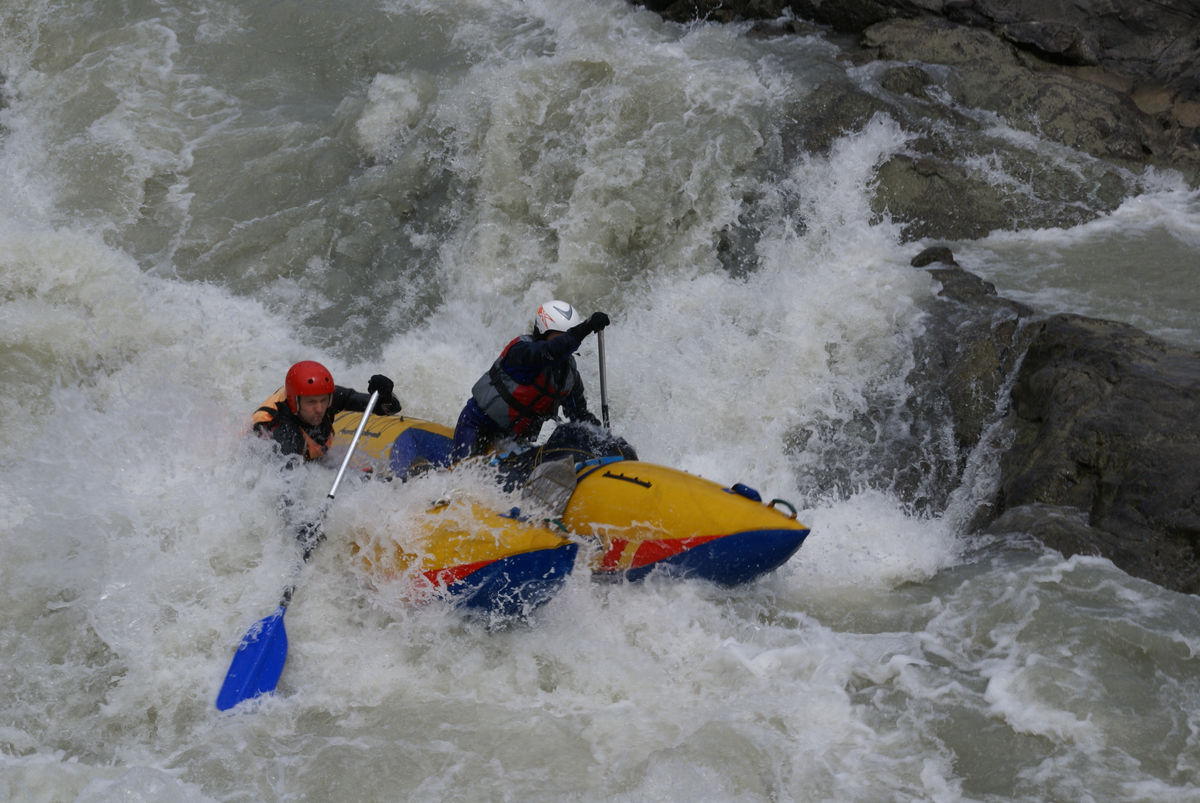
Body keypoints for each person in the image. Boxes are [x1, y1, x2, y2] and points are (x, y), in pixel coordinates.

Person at [451, 300, 609, 462]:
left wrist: (605, 439)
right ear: (542, 334)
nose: (565, 346)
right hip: (479, 426)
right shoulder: (522, 352)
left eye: (566, 338)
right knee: (463, 472)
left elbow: (580, 417)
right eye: (557, 338)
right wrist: (587, 327)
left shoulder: (569, 376)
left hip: (514, 440)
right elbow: (550, 351)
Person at [251, 360, 402, 463]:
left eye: (323, 400)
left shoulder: (330, 397)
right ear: (294, 403)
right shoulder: (285, 438)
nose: (319, 409)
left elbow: (389, 409)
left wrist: (385, 396)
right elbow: (286, 494)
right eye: (311, 402)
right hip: (261, 453)